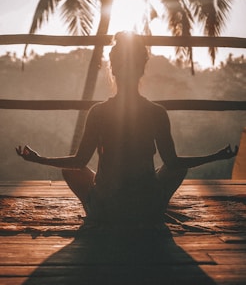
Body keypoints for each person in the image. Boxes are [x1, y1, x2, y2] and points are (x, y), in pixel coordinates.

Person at [16, 31, 238, 227]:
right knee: (177, 168)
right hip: (147, 208)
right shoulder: (156, 112)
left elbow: (79, 162)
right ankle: (157, 205)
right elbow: (173, 163)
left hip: (107, 209)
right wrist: (216, 156)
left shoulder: (99, 112)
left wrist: (40, 159)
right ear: (142, 69)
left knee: (71, 170)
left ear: (113, 69)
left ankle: (95, 210)